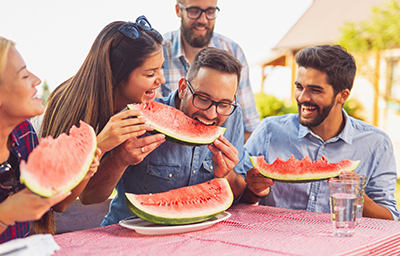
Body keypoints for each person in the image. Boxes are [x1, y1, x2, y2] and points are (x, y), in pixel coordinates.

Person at [80, 47, 247, 226]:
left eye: (224, 104)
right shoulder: (138, 116)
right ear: (183, 88)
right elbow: (89, 196)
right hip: (130, 236)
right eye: (203, 99)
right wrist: (119, 159)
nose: (212, 114)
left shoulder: (232, 119)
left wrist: (227, 174)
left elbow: (238, 192)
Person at [241, 45, 399, 220]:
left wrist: (358, 196)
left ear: (342, 95)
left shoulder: (376, 143)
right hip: (274, 240)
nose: (302, 97)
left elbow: (389, 217)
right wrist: (253, 191)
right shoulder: (269, 130)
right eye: (299, 87)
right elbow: (239, 198)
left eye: (315, 90)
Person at [39, 16, 166, 233]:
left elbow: (92, 195)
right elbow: (57, 200)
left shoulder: (126, 108)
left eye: (161, 69)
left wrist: (119, 159)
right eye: (150, 73)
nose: (161, 79)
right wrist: (98, 144)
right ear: (118, 75)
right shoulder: (69, 103)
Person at [0, 36, 92, 243]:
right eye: (24, 76)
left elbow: (51, 202)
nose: (36, 80)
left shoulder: (24, 132)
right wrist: (6, 213)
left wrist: (83, 169)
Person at [162, 0, 260, 142]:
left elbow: (249, 126)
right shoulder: (159, 51)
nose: (203, 20)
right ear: (178, 10)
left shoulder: (234, 51)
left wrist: (235, 162)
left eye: (210, 12)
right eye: (194, 11)